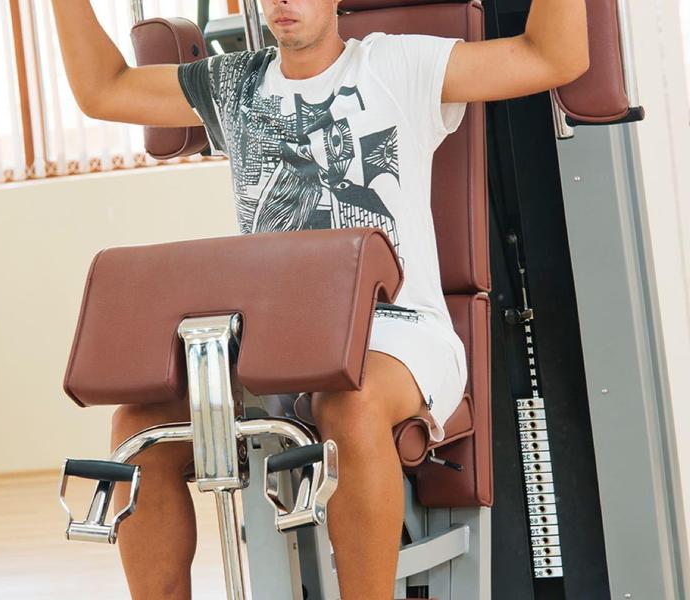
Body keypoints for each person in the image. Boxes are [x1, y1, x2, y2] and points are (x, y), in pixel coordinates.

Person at [52, 0, 589, 598]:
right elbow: (105, 88)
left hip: (399, 331)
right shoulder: (233, 83)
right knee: (139, 425)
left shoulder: (396, 64)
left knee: (348, 404)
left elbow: (552, 56)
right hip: (276, 344)